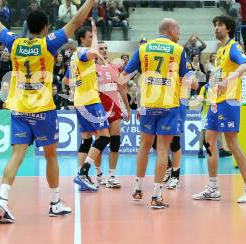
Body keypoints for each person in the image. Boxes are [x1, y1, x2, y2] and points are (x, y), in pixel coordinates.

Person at [0, 0, 106, 224]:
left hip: (18, 108)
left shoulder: (15, 43)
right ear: (45, 27)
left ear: (27, 27)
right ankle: (54, 202)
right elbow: (76, 22)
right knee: (51, 155)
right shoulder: (47, 43)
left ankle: (2, 199)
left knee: (17, 154)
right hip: (43, 109)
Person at [119, 18, 194, 209]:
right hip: (169, 105)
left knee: (144, 146)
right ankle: (156, 195)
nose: (179, 33)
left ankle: (138, 188)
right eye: (178, 29)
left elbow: (122, 79)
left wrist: (132, 101)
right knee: (162, 149)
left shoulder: (144, 48)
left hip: (147, 105)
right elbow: (189, 80)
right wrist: (192, 82)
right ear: (171, 30)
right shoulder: (178, 50)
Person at [193, 15, 246, 203]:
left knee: (232, 144)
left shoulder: (233, 47)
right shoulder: (220, 52)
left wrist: (229, 80)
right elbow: (217, 78)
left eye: (219, 25)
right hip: (216, 101)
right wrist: (205, 89)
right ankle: (213, 188)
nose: (216, 28)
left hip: (229, 101)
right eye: (215, 25)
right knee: (209, 142)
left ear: (228, 28)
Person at [68, 25, 111, 192]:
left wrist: (88, 78)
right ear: (82, 39)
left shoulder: (74, 56)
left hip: (80, 99)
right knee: (104, 137)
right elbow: (93, 53)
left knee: (86, 140)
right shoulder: (82, 52)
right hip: (90, 100)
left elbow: (67, 80)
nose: (92, 39)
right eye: (89, 37)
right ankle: (83, 172)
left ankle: (83, 178)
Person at [93, 41, 131, 188]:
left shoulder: (114, 68)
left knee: (115, 143)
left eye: (105, 48)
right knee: (100, 143)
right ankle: (98, 174)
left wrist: (127, 108)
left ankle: (112, 176)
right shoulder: (91, 68)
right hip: (99, 109)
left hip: (115, 108)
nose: (103, 50)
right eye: (100, 48)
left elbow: (121, 89)